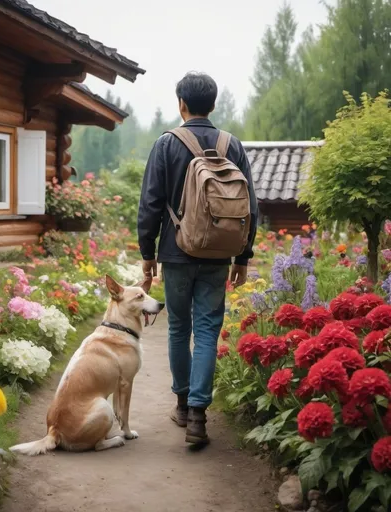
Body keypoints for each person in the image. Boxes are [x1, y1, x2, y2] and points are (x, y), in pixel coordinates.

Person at [137, 72, 258, 444]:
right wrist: (243, 258)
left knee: (179, 329)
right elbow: (250, 205)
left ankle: (182, 405)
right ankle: (199, 418)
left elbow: (151, 204)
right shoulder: (231, 144)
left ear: (181, 104)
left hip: (176, 252)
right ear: (214, 105)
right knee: (207, 330)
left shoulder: (166, 144)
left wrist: (148, 255)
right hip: (219, 254)